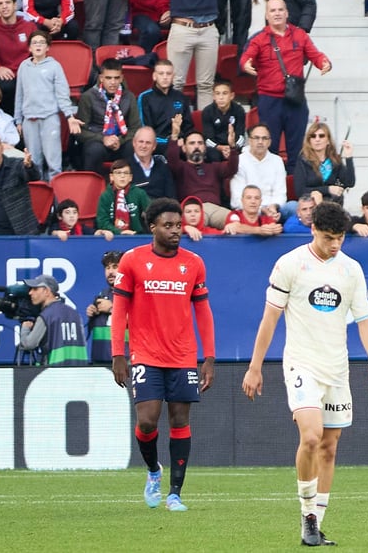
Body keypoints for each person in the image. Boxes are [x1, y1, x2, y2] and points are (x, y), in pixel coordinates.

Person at [241, 200, 368, 546]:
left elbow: (364, 319)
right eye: (329, 237)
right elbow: (270, 318)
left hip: (337, 368)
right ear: (313, 230)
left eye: (340, 238)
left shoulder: (351, 270)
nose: (335, 244)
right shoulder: (290, 264)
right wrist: (255, 367)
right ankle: (306, 514)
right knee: (310, 437)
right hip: (301, 363)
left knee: (329, 447)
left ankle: (317, 524)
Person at [111, 197, 216, 513]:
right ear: (152, 227)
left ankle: (175, 494)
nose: (175, 231)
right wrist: (118, 354)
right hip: (146, 354)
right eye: (168, 225)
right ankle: (153, 470)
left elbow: (203, 311)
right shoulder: (132, 260)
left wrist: (209, 357)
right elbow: (119, 310)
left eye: (178, 225)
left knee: (180, 419)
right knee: (147, 422)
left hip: (183, 355)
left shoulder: (194, 263)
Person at [240, 0, 333, 171]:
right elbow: (246, 57)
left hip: (295, 100)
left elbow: (315, 55)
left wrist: (324, 63)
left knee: (297, 152)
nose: (277, 13)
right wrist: (246, 64)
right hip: (269, 101)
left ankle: (295, 185)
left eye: (280, 10)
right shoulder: (259, 39)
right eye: (273, 10)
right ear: (267, 15)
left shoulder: (300, 35)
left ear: (287, 13)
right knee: (270, 150)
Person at [14, 30, 80, 181]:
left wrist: (69, 116)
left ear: (48, 47)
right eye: (34, 43)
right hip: (29, 120)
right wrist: (18, 120)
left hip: (49, 118)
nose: (38, 45)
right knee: (34, 164)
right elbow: (19, 94)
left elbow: (62, 93)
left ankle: (55, 195)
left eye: (42, 42)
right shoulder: (24, 66)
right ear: (29, 47)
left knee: (53, 163)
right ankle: (38, 193)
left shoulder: (54, 66)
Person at [76, 60, 140, 173]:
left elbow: (135, 128)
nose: (113, 82)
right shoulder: (88, 97)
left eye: (116, 78)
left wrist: (120, 140)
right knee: (94, 150)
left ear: (121, 78)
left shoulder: (129, 97)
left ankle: (133, 183)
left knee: (134, 147)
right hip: (97, 140)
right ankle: (91, 183)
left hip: (121, 140)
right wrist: (103, 139)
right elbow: (80, 131)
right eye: (108, 78)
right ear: (101, 78)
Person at [17, 274, 88, 366]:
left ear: (46, 291)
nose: (30, 293)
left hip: (54, 371)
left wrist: (25, 328)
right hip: (80, 370)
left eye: (35, 289)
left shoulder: (46, 315)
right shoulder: (74, 313)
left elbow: (29, 344)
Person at [0, 0, 37, 107]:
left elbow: (38, 54)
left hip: (27, 72)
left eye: (8, 2)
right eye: (0, 4)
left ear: (15, 5)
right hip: (7, 75)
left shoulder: (29, 27)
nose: (4, 6)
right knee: (7, 86)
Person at [137, 59, 195, 155]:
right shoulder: (145, 98)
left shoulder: (181, 97)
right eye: (161, 74)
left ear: (173, 76)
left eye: (168, 74)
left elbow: (189, 127)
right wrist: (172, 141)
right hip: (156, 144)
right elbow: (145, 129)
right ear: (154, 76)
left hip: (180, 143)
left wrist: (185, 140)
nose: (165, 77)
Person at [291, 122, 355, 205]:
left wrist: (348, 158)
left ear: (328, 140)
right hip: (311, 204)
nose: (317, 139)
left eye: (321, 136)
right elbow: (300, 191)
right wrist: (328, 189)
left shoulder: (335, 160)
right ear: (309, 141)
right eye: (313, 136)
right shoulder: (303, 160)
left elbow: (349, 183)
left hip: (332, 204)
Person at [230, 123, 286, 214]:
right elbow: (237, 199)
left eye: (264, 138)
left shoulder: (277, 160)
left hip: (273, 209)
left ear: (269, 142)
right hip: (248, 210)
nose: (260, 142)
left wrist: (274, 206)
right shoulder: (239, 160)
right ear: (249, 141)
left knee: (292, 207)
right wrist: (261, 210)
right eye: (256, 138)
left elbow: (281, 193)